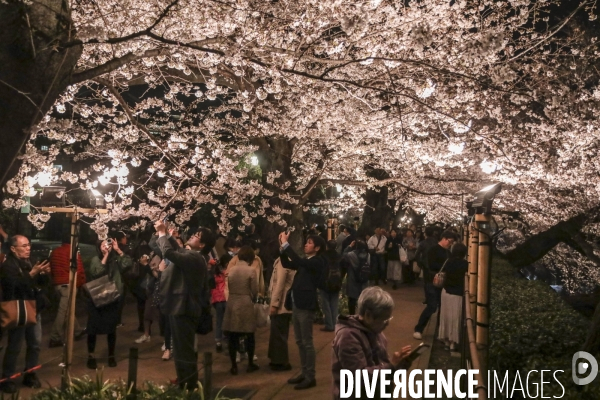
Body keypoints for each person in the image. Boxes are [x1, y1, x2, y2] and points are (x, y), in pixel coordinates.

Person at [151, 221, 207, 391]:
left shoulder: (196, 257)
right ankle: (185, 382)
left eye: (197, 237)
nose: (192, 236)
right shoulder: (193, 256)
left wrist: (161, 233)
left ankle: (189, 385)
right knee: (182, 349)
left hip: (184, 308)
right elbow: (179, 250)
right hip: (180, 307)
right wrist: (168, 235)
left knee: (184, 350)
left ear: (202, 245)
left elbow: (170, 253)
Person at [332, 286, 413, 400]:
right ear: (368, 315)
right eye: (385, 320)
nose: (387, 324)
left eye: (389, 319)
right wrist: (391, 366)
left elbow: (382, 368)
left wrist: (400, 365)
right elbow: (359, 378)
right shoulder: (348, 337)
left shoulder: (375, 331)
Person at [0, 235, 50, 393]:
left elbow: (40, 285)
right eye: (24, 246)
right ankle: (7, 378)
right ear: (13, 248)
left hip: (34, 308)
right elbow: (13, 287)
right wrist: (32, 274)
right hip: (19, 310)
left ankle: (30, 373)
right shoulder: (8, 265)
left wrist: (44, 274)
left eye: (29, 245)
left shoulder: (31, 261)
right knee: (15, 345)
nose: (28, 248)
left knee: (35, 343)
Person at [278, 231, 326, 390]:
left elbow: (297, 260)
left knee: (307, 342)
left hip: (306, 305)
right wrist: (282, 248)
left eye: (310, 242)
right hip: (297, 303)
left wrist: (286, 244)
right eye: (307, 242)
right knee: (299, 341)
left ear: (317, 248)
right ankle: (304, 372)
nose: (306, 244)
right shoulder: (306, 261)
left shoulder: (317, 261)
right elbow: (287, 264)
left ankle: (310, 376)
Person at [85, 239, 132, 369]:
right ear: (99, 247)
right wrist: (105, 256)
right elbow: (97, 273)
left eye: (108, 244)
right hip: (97, 297)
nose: (106, 246)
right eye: (103, 244)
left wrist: (117, 249)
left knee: (111, 329)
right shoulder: (96, 259)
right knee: (92, 329)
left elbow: (128, 264)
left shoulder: (116, 259)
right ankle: (91, 356)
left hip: (112, 297)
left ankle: (111, 356)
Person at [222, 246, 259, 375]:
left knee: (232, 336)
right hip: (245, 302)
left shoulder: (231, 270)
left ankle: (233, 366)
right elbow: (254, 290)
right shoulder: (251, 271)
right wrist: (253, 298)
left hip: (232, 302)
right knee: (249, 334)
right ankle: (250, 363)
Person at [413, 230, 457, 340]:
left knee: (441, 307)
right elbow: (430, 265)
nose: (450, 244)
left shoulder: (448, 252)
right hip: (431, 282)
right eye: (450, 241)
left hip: (442, 283)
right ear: (444, 238)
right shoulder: (433, 250)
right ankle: (418, 329)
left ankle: (439, 332)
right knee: (432, 306)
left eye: (452, 243)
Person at [49, 234, 87, 348]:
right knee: (63, 312)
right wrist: (82, 285)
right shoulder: (72, 252)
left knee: (68, 309)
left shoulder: (55, 252)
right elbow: (79, 271)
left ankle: (77, 331)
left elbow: (52, 269)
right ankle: (55, 337)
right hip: (68, 284)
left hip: (58, 285)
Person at [438, 243, 468, 351]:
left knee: (445, 316)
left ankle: (446, 340)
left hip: (446, 292)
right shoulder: (465, 264)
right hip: (458, 294)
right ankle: (453, 342)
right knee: (455, 318)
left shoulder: (448, 261)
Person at [267, 257, 295, 371]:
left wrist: (274, 304)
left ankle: (280, 361)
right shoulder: (285, 260)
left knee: (278, 333)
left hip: (282, 304)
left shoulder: (283, 262)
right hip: (284, 303)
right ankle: (276, 359)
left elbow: (280, 284)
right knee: (278, 332)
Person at [340, 240, 369, 315]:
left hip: (353, 279)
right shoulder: (368, 255)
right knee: (363, 299)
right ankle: (362, 316)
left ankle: (352, 315)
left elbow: (343, 255)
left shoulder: (351, 255)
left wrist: (349, 246)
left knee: (352, 299)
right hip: (364, 279)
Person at [319, 240, 341, 332]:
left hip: (325, 282)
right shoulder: (339, 255)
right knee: (334, 303)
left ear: (327, 246)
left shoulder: (323, 256)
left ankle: (329, 324)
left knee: (326, 304)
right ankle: (335, 324)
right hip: (336, 282)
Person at [211, 251, 227, 354]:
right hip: (224, 298)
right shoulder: (226, 272)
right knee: (226, 320)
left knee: (219, 320)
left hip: (216, 299)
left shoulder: (214, 272)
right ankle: (226, 340)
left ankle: (218, 341)